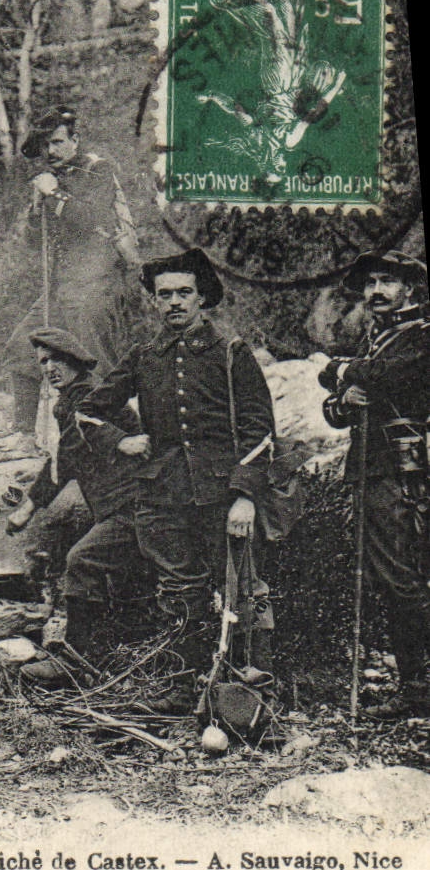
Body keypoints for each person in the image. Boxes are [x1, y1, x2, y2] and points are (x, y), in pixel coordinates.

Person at [78, 247, 273, 712]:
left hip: (222, 496)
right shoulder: (144, 356)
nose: (174, 303)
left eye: (184, 292)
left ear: (202, 296)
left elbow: (260, 431)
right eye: (164, 295)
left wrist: (244, 496)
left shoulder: (231, 352)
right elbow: (85, 412)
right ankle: (183, 688)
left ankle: (247, 696)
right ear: (154, 302)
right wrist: (119, 441)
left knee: (242, 594)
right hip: (163, 497)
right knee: (179, 594)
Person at [319, 248, 430, 720]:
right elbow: (337, 408)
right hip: (371, 469)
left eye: (388, 282)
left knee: (402, 577)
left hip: (404, 473)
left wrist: (340, 371)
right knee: (389, 578)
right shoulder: (377, 339)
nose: (377, 291)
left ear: (410, 289)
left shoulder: (419, 336)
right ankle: (415, 685)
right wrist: (345, 393)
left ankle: (421, 688)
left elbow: (385, 376)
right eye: (371, 284)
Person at [5, 327, 145, 685]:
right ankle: (117, 661)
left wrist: (28, 508)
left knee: (81, 561)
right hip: (119, 506)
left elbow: (63, 460)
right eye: (43, 362)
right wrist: (28, 507)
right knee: (124, 582)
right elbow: (66, 461)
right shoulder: (72, 399)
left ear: (76, 361)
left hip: (133, 505)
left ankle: (75, 663)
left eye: (58, 360)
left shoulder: (87, 396)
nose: (50, 368)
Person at [4, 105, 143, 438]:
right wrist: (38, 208)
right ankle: (22, 436)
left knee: (96, 365)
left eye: (56, 142)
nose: (50, 152)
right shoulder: (51, 180)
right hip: (59, 288)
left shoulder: (98, 170)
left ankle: (121, 435)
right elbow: (33, 244)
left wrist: (54, 193)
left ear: (74, 140)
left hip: (97, 284)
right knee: (22, 349)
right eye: (44, 146)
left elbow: (95, 220)